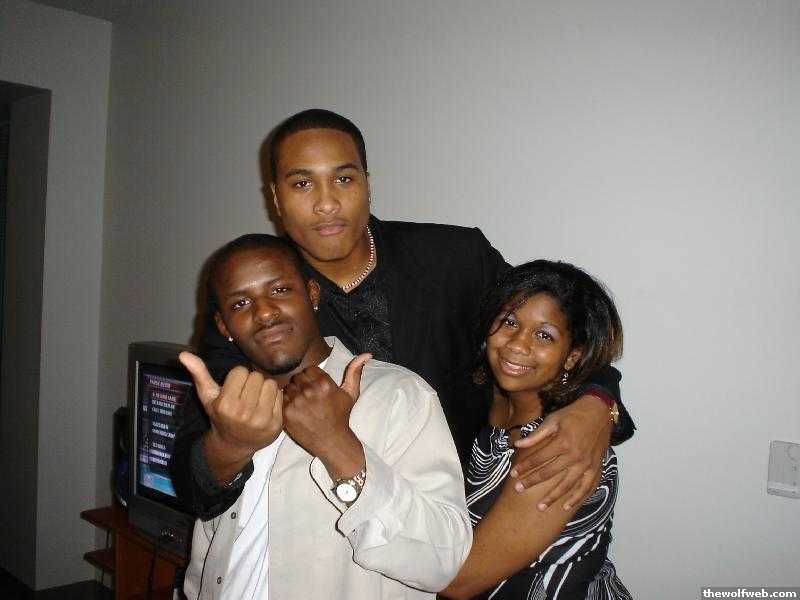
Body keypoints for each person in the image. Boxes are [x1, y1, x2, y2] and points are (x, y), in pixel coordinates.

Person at [172, 109, 635, 522]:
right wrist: (229, 446)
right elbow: (194, 481)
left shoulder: (455, 259)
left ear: (368, 183)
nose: (326, 203)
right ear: (276, 198)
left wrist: (597, 404)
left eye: (344, 179)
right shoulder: (258, 313)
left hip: (470, 518)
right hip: (343, 539)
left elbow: (558, 329)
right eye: (302, 183)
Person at [179, 234, 471, 600]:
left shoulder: (398, 396)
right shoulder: (229, 408)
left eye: (280, 290)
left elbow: (443, 561)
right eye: (240, 303)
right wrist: (229, 444)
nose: (264, 312)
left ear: (312, 294)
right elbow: (208, 549)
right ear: (224, 326)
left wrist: (336, 444)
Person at [440, 260, 632, 599]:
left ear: (572, 356)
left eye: (544, 335)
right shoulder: (485, 392)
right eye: (510, 322)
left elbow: (459, 582)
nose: (517, 344)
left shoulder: (559, 449)